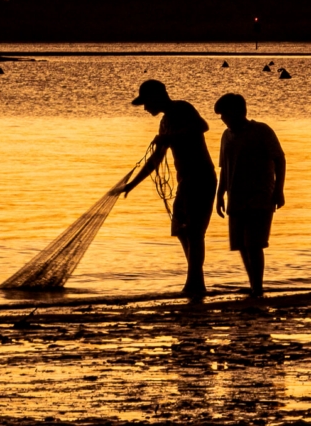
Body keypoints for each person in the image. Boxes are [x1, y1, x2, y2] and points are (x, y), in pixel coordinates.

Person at [123, 80, 217, 297]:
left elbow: (202, 127)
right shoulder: (164, 122)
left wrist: (169, 137)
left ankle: (195, 283)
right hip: (185, 181)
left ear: (157, 96)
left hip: (201, 177)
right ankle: (196, 279)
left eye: (146, 102)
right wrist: (131, 185)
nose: (145, 108)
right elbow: (156, 159)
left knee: (194, 232)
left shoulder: (182, 108)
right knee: (181, 230)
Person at [213, 93, 286, 298]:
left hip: (260, 196)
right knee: (240, 245)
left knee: (254, 244)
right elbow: (224, 169)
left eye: (224, 114)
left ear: (238, 112)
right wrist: (220, 195)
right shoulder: (226, 136)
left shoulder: (261, 131)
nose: (222, 119)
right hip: (235, 197)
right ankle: (254, 283)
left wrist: (279, 190)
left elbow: (279, 160)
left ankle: (257, 287)